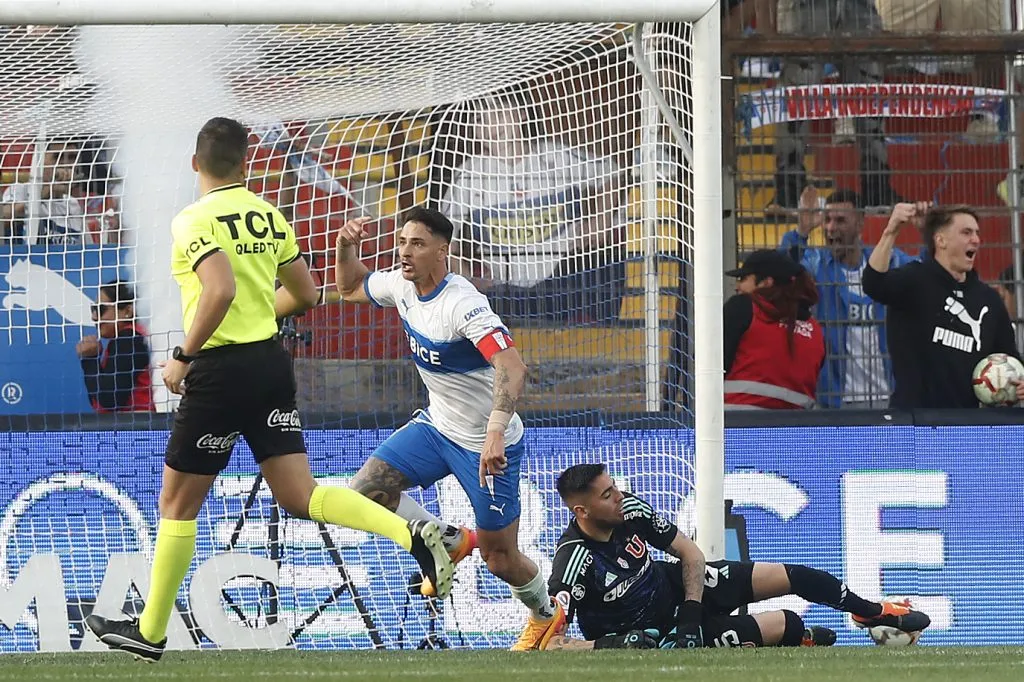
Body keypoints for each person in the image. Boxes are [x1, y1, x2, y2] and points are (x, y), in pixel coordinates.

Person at [84, 117, 453, 663]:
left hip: (219, 373)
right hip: (270, 365)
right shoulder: (268, 214)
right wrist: (254, 313)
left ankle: (151, 632)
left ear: (195, 164)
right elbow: (305, 294)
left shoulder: (192, 219)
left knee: (176, 504)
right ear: (246, 163)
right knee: (299, 495)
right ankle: (414, 536)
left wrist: (183, 357)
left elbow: (219, 287)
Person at [329, 206, 565, 651]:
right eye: (402, 242)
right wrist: (345, 247)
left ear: (443, 250)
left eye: (417, 244)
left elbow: (512, 367)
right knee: (366, 489)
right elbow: (348, 288)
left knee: (499, 559)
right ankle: (451, 539)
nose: (405, 252)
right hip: (437, 429)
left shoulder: (464, 303)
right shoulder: (400, 284)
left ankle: (546, 614)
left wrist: (495, 430)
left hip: (488, 444)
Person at [543, 463, 931, 651]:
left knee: (793, 575)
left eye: (615, 487)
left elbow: (689, 553)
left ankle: (869, 611)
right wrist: (615, 645)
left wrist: (692, 611)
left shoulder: (633, 511)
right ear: (583, 511)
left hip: (679, 587)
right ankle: (798, 640)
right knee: (788, 622)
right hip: (657, 635)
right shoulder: (572, 562)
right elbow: (552, 644)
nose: (619, 496)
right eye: (607, 494)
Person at [440, 95, 627, 323]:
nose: (490, 128)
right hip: (505, 291)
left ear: (521, 113)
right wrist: (467, 277)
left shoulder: (554, 156)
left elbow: (612, 173)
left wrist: (601, 218)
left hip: (564, 280)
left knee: (602, 275)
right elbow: (445, 241)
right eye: (480, 120)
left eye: (499, 115)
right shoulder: (469, 175)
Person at [863, 203, 1024, 408]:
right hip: (914, 421)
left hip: (966, 424)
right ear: (941, 240)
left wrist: (1018, 383)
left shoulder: (988, 299)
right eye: (966, 232)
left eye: (976, 233)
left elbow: (1009, 356)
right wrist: (891, 230)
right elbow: (873, 283)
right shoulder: (914, 280)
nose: (975, 239)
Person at [780, 187, 917, 408]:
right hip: (835, 402)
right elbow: (781, 274)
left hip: (889, 398)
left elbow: (930, 274)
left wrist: (928, 231)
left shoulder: (888, 262)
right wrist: (801, 233)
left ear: (860, 223)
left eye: (841, 220)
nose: (831, 228)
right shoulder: (817, 263)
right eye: (827, 220)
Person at [723, 249, 825, 410]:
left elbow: (712, 362)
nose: (737, 286)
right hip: (793, 430)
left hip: (737, 426)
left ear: (766, 282)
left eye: (743, 279)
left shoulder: (742, 308)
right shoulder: (815, 330)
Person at [75, 280, 154, 412]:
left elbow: (110, 399)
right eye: (93, 309)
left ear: (127, 311)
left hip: (136, 428)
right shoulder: (132, 337)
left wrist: (90, 360)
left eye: (101, 309)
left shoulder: (129, 339)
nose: (94, 317)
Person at [0, 139, 85, 245]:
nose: (65, 164)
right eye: (57, 157)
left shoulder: (74, 205)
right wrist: (43, 194)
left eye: (72, 157)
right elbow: (3, 218)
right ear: (39, 160)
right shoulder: (20, 190)